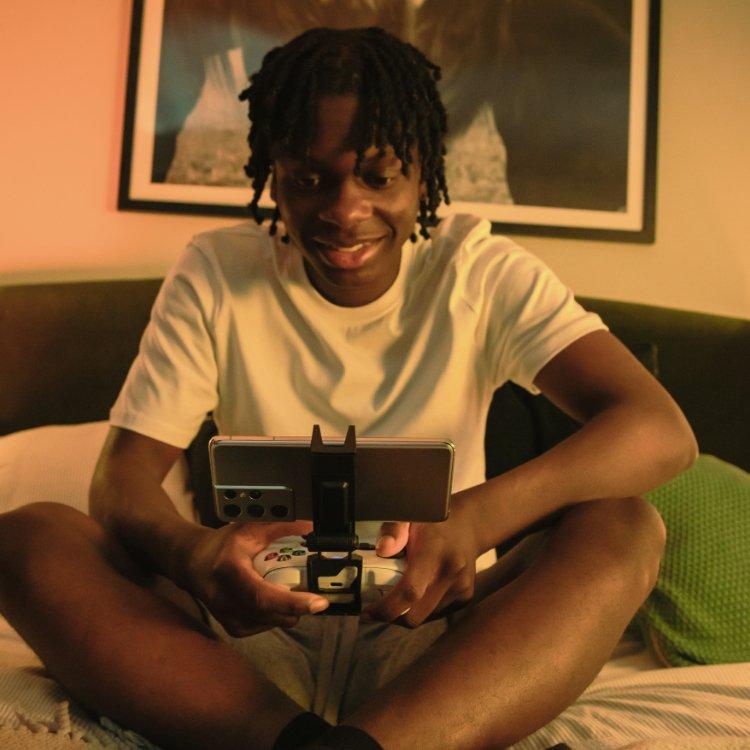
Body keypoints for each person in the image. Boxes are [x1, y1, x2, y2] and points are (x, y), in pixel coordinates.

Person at [0, 27, 696, 750]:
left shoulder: (480, 272)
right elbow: (121, 479)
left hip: (439, 642)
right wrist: (194, 555)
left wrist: (475, 520)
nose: (345, 209)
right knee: (26, 537)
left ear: (423, 175)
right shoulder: (216, 272)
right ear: (273, 176)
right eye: (309, 180)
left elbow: (660, 430)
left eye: (379, 176)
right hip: (247, 637)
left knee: (624, 527)